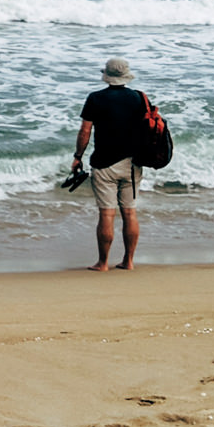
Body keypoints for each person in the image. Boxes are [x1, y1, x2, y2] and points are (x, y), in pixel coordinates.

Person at [72, 57, 145, 271]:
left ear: (107, 76)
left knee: (107, 214)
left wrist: (78, 156)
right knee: (130, 213)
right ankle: (128, 261)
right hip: (132, 164)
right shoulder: (139, 98)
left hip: (104, 163)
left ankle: (103, 263)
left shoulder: (95, 98)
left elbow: (85, 131)